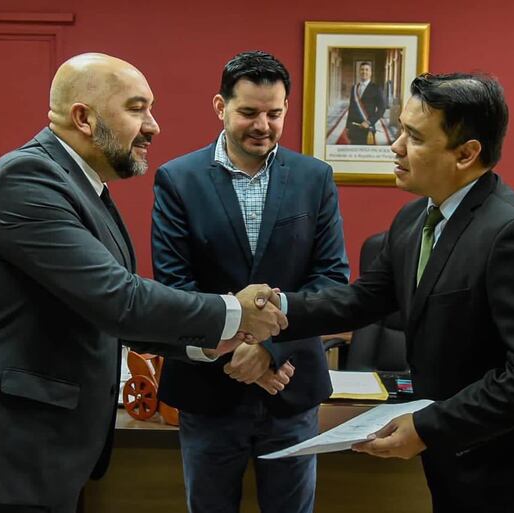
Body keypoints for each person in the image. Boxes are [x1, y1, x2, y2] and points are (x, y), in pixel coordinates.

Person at [0, 53, 287, 513]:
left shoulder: (84, 187)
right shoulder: (25, 180)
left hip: (34, 456)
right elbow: (119, 300)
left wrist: (211, 343)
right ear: (84, 118)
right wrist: (235, 311)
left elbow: (106, 311)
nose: (153, 126)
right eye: (137, 109)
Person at [274, 72, 514, 513]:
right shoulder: (413, 220)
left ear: (466, 153)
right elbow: (362, 300)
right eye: (400, 130)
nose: (396, 146)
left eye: (414, 136)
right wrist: (275, 309)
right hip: (455, 459)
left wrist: (429, 426)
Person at [151, 50, 350, 513]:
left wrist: (269, 351)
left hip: (290, 387)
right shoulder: (178, 180)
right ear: (220, 107)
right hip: (208, 391)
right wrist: (238, 350)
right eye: (248, 112)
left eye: (274, 113)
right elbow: (175, 285)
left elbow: (330, 281)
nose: (262, 125)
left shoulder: (314, 178)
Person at [345, 61, 386, 145]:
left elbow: (382, 108)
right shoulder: (354, 88)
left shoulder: (376, 88)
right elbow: (351, 108)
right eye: (362, 69)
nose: (364, 72)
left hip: (367, 127)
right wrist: (348, 126)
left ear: (371, 72)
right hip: (354, 127)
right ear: (359, 72)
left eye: (367, 70)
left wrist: (369, 122)